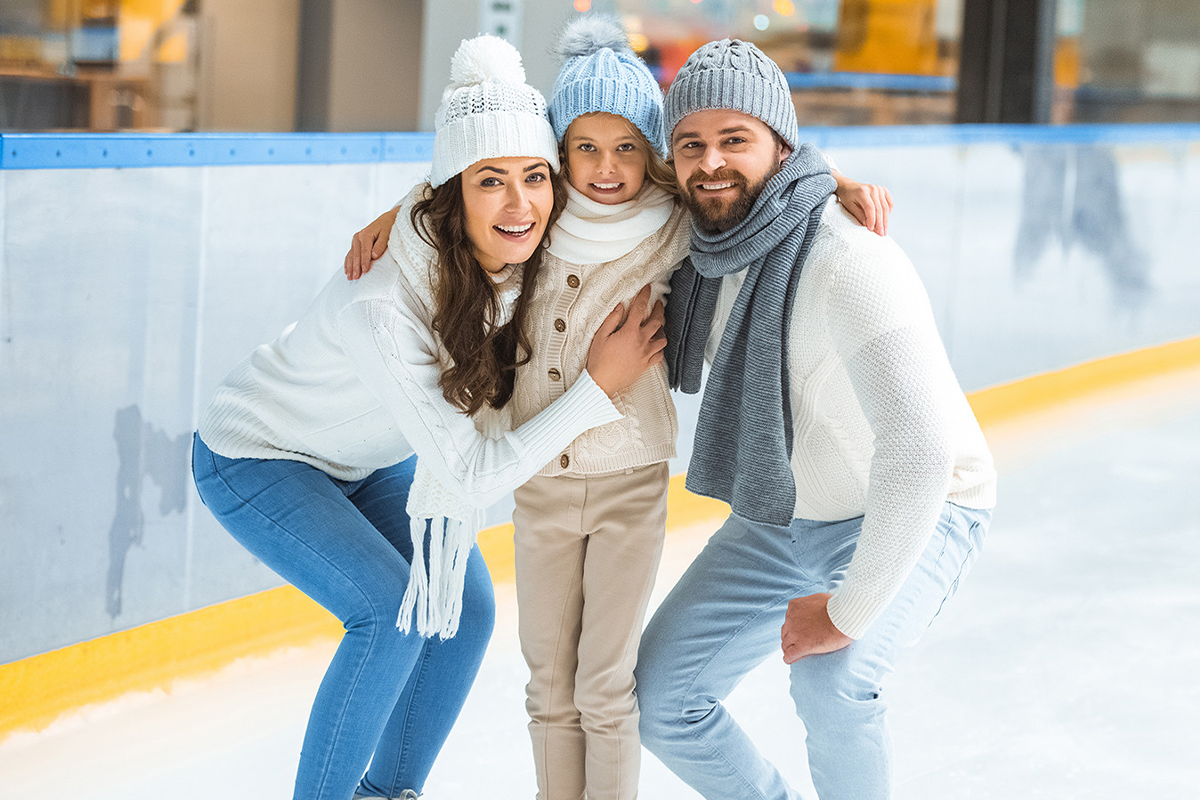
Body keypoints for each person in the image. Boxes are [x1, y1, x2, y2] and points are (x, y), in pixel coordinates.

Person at [344, 21, 891, 800]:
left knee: (604, 684)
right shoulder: (540, 215)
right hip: (539, 482)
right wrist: (399, 216)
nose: (607, 168)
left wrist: (834, 180)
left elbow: (763, 181)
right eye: (587, 149)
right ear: (561, 156)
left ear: (653, 154)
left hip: (630, 482)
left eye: (629, 147)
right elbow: (472, 176)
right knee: (548, 684)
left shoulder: (671, 222)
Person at [190, 35, 666, 800]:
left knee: (465, 615)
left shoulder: (519, 243)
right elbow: (474, 472)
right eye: (490, 183)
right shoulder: (384, 305)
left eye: (533, 178)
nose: (521, 205)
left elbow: (658, 184)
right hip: (260, 454)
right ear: (452, 195)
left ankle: (389, 793)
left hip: (368, 457)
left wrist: (819, 178)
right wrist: (596, 391)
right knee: (388, 613)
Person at [633, 39, 998, 800]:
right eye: (691, 143)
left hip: (922, 506)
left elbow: (920, 449)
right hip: (785, 513)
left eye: (736, 139)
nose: (711, 163)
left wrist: (848, 611)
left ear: (781, 144)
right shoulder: (697, 240)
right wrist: (406, 219)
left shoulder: (848, 256)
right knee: (662, 700)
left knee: (832, 682)